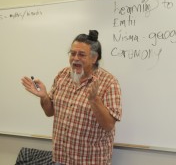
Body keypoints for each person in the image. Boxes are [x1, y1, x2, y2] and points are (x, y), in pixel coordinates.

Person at [21, 30, 122, 165]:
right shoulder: (63, 75)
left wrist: (94, 100)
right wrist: (44, 97)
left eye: (81, 54)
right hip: (61, 158)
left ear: (94, 58)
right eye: (72, 53)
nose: (75, 58)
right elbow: (49, 112)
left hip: (91, 161)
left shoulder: (109, 82)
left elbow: (109, 125)